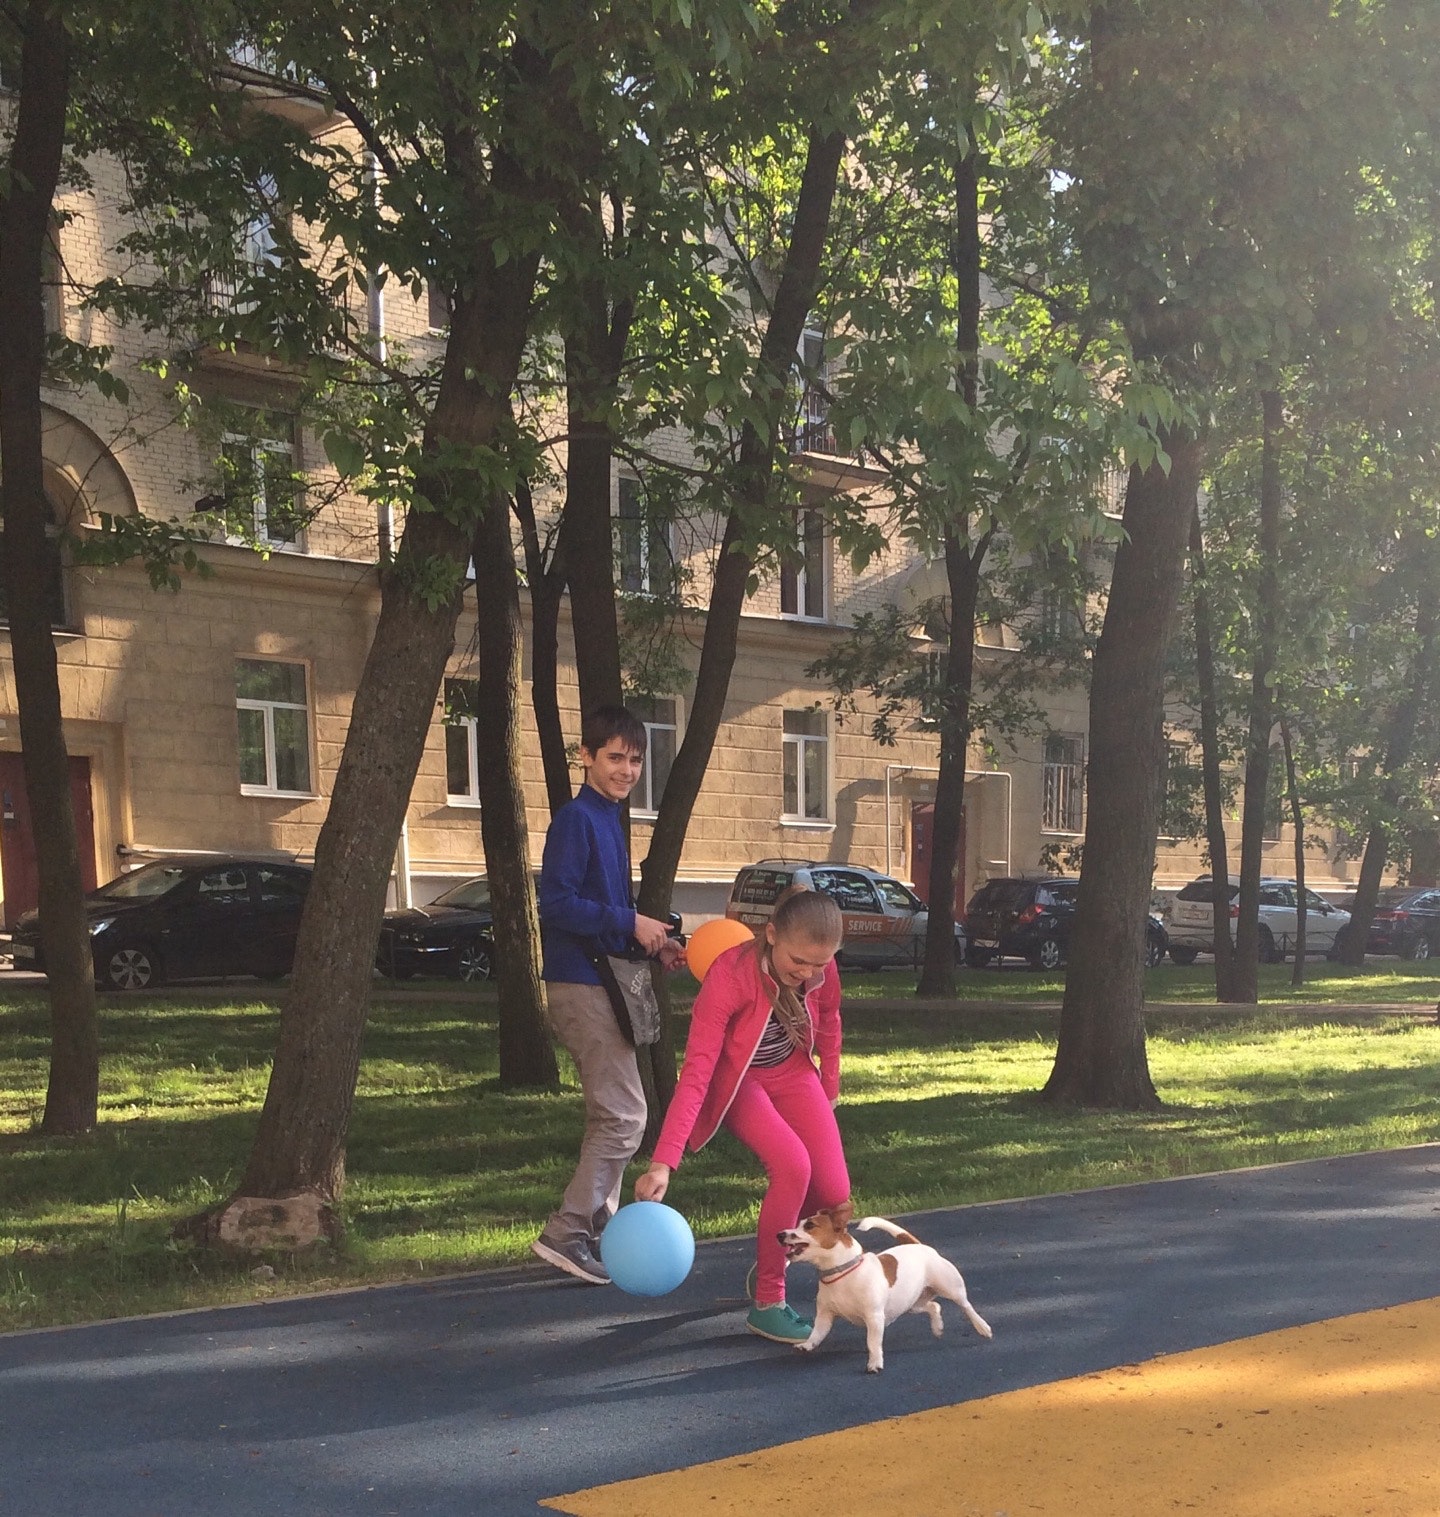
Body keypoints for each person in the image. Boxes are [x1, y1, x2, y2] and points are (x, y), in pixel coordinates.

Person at [635, 887, 849, 1343]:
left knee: (834, 1194)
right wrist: (664, 1161)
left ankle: (773, 1255)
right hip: (738, 1080)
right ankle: (769, 1302)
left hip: (792, 1071)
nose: (808, 973)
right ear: (771, 935)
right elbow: (697, 1071)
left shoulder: (822, 968)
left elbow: (830, 1020)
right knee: (792, 1166)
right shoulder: (729, 976)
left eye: (819, 964)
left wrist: (829, 1086)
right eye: (799, 961)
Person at [533, 705, 679, 1285]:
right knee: (624, 1116)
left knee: (614, 1114)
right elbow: (556, 905)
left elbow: (610, 915)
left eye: (635, 759)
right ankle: (568, 1231)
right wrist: (628, 921)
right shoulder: (576, 819)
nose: (627, 769)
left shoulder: (608, 818)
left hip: (601, 979)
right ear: (586, 756)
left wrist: (651, 941)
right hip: (581, 984)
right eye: (615, 757)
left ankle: (595, 1232)